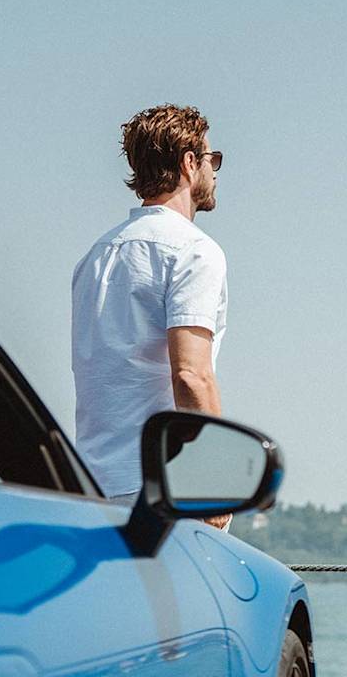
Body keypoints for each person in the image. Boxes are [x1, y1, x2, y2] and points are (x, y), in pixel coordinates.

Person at [72, 103, 232, 529]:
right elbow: (191, 375)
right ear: (189, 163)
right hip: (161, 488)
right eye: (212, 159)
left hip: (88, 483)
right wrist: (214, 483)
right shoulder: (195, 251)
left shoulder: (95, 257)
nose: (215, 171)